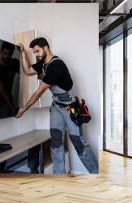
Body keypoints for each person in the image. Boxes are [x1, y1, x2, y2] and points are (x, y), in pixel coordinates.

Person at [15, 37, 98, 174]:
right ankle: (59, 177)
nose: (36, 55)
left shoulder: (56, 65)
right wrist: (23, 52)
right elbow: (28, 70)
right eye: (34, 53)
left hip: (68, 107)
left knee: (78, 142)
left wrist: (24, 109)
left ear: (46, 48)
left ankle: (95, 174)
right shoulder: (43, 64)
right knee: (56, 142)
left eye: (37, 51)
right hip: (56, 106)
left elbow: (39, 92)